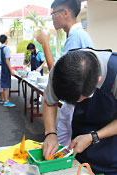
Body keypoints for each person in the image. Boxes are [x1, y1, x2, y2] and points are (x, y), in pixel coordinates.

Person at [42, 49, 117, 175]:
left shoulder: (115, 74)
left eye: (80, 99)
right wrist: (50, 133)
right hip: (80, 147)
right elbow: (49, 102)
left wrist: (93, 137)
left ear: (98, 80)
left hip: (112, 153)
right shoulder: (60, 70)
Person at [36, 0, 94, 146]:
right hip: (74, 103)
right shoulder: (76, 36)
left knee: (67, 148)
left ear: (65, 13)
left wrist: (45, 44)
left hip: (77, 106)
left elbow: (57, 75)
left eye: (54, 13)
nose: (53, 18)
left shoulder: (76, 37)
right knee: (61, 146)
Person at [0, 35, 16, 107]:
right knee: (5, 85)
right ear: (5, 40)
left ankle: (2, 99)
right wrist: (11, 71)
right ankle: (6, 101)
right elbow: (7, 60)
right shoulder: (6, 48)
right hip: (3, 68)